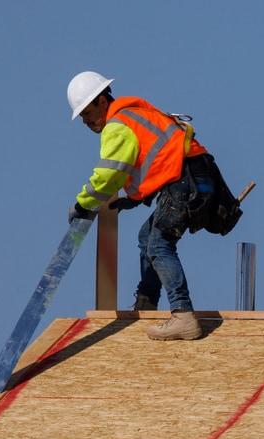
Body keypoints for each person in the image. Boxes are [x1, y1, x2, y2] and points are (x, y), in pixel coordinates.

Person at [66, 71, 213, 341]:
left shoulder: (117, 125)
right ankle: (146, 303)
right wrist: (133, 199)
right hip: (194, 176)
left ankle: (183, 315)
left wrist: (82, 203)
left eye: (86, 113)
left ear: (101, 101)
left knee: (158, 244)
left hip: (187, 179)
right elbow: (157, 159)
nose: (86, 122)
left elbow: (110, 173)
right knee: (148, 237)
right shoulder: (133, 116)